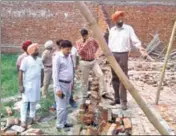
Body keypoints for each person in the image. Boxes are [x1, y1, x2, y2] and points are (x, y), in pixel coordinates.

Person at [108, 10, 148, 110]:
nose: (120, 20)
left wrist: (140, 48)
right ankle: (117, 98)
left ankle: (123, 101)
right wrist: (108, 55)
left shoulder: (128, 29)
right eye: (118, 18)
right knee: (114, 77)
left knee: (123, 78)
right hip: (113, 55)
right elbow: (110, 44)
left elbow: (134, 40)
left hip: (123, 55)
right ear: (115, 20)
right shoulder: (112, 30)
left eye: (122, 18)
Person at [75, 28, 112, 101]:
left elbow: (97, 46)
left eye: (85, 35)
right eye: (83, 36)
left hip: (93, 61)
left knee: (101, 75)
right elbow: (79, 52)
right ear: (81, 35)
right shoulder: (78, 42)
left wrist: (93, 53)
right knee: (84, 80)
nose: (84, 37)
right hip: (84, 62)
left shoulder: (92, 40)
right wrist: (86, 43)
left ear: (87, 34)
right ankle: (84, 95)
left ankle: (103, 92)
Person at [19, 43, 44, 128]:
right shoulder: (26, 60)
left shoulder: (39, 60)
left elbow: (42, 70)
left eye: (37, 49)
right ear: (31, 51)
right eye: (36, 50)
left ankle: (32, 117)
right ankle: (23, 120)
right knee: (25, 102)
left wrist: (42, 81)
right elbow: (21, 72)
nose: (38, 51)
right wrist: (21, 85)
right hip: (27, 84)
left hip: (36, 84)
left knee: (34, 101)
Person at [52, 40, 74, 131]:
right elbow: (55, 74)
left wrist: (72, 83)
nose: (69, 51)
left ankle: (64, 122)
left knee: (66, 105)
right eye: (67, 49)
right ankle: (59, 125)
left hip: (68, 84)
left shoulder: (69, 56)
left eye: (70, 49)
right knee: (61, 106)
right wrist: (58, 88)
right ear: (61, 48)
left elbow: (70, 70)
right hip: (61, 84)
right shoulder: (57, 58)